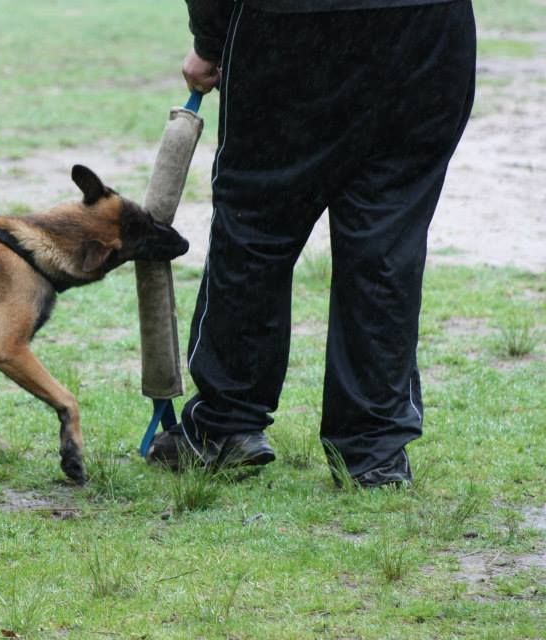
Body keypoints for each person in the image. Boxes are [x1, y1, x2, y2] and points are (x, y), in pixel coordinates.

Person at [146, 0, 476, 487]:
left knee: (257, 222)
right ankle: (373, 451)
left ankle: (226, 426)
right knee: (385, 238)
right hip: (426, 29)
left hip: (291, 27)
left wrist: (210, 41)